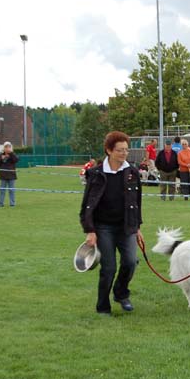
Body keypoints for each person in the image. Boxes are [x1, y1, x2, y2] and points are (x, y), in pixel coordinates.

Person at [79, 131, 143, 315]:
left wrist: (137, 227)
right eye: (120, 150)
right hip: (103, 227)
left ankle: (121, 294)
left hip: (126, 227)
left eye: (126, 150)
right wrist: (90, 230)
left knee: (130, 262)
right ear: (109, 150)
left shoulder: (132, 172)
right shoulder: (95, 174)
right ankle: (103, 307)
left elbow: (137, 202)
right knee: (108, 268)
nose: (124, 154)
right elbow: (87, 206)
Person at [0, 141, 19, 207]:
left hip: (12, 175)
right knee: (2, 191)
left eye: (9, 147)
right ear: (4, 148)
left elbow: (16, 160)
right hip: (3, 175)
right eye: (6, 147)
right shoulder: (0, 155)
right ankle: (1, 204)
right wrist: (1, 159)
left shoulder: (13, 154)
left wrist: (11, 153)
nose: (7, 148)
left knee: (12, 190)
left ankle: (12, 203)